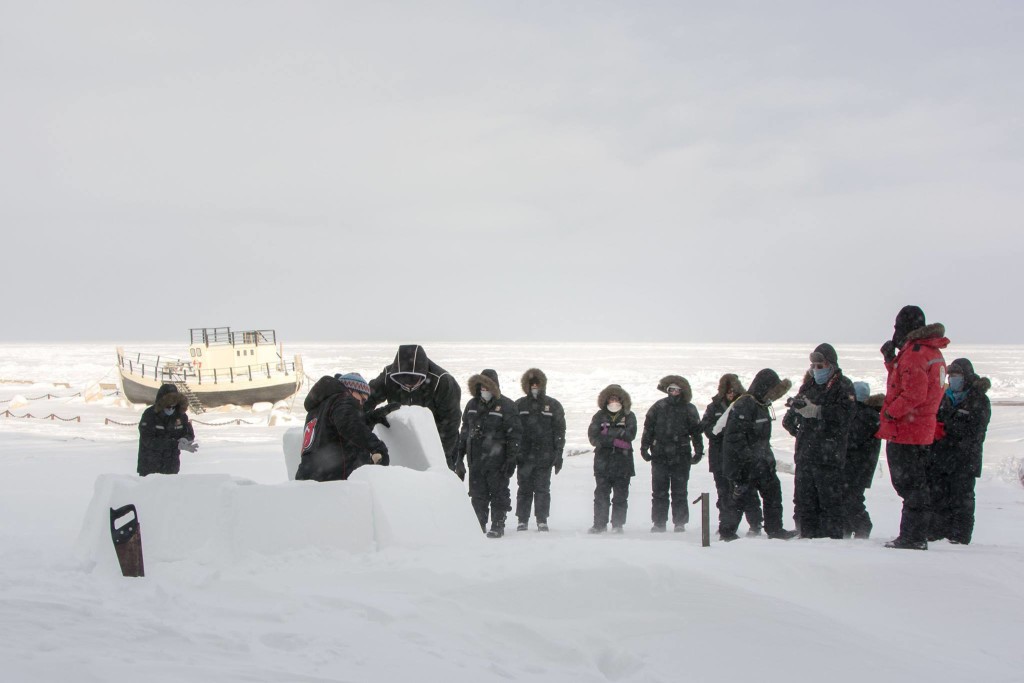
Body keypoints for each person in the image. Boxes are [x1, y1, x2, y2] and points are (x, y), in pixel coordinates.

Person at [877, 305, 949, 550]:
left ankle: (913, 536)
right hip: (919, 429)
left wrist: (890, 411)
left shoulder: (916, 353)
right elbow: (907, 380)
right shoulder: (929, 351)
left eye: (898, 327)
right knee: (914, 484)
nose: (895, 332)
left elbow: (914, 393)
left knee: (910, 486)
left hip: (908, 429)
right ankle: (915, 534)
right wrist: (891, 361)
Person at [782, 343, 856, 539]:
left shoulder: (844, 386)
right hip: (805, 453)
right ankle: (805, 537)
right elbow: (797, 407)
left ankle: (832, 542)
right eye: (813, 366)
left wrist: (818, 411)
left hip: (829, 455)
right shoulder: (809, 385)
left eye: (820, 366)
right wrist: (792, 417)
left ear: (831, 365)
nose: (815, 370)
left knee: (829, 502)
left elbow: (845, 414)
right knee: (804, 501)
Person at [718, 369, 798, 542]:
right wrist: (747, 461)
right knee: (739, 498)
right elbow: (735, 437)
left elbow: (761, 438)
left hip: (762, 462)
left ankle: (775, 530)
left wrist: (766, 459)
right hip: (743, 464)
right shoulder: (745, 404)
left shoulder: (762, 405)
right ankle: (727, 533)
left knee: (773, 494)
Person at [364, 345, 462, 474]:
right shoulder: (388, 376)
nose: (408, 383)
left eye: (413, 379)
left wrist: (441, 458)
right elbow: (366, 399)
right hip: (402, 441)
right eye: (402, 379)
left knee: (435, 481)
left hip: (438, 440)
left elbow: (451, 423)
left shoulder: (442, 381)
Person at [928, 358, 991, 545]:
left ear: (967, 377)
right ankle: (938, 535)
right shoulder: (944, 397)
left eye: (956, 375)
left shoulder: (979, 399)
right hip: (941, 458)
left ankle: (959, 538)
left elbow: (976, 431)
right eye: (950, 375)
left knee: (961, 501)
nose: (952, 379)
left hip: (965, 460)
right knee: (939, 499)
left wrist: (947, 427)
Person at [455, 370, 522, 538]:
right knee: (477, 495)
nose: (484, 389)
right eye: (481, 386)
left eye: (487, 386)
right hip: (475, 460)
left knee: (499, 493)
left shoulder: (507, 406)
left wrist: (511, 459)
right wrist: (459, 458)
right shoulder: (472, 405)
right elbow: (464, 432)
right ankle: (479, 524)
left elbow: (515, 435)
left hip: (497, 460)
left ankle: (498, 524)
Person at [296, 373, 389, 482]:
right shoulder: (343, 398)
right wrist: (377, 447)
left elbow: (335, 432)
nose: (361, 404)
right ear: (351, 390)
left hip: (309, 479)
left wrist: (370, 419)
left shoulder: (316, 410)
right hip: (331, 484)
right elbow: (349, 426)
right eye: (362, 398)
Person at [640, 375, 704, 532]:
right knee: (659, 491)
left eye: (677, 390)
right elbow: (648, 428)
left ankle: (680, 523)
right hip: (660, 455)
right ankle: (659, 522)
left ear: (682, 391)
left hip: (681, 455)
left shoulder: (689, 409)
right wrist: (644, 447)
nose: (674, 392)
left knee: (680, 491)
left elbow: (696, 432)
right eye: (671, 389)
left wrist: (699, 450)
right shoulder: (658, 407)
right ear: (667, 390)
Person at [702, 374, 763, 536]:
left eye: (733, 391)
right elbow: (707, 429)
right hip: (719, 458)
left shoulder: (745, 405)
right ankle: (725, 525)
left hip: (740, 458)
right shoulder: (714, 407)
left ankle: (755, 524)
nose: (731, 394)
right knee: (723, 493)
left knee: (747, 491)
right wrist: (723, 432)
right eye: (728, 391)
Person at [514, 368, 566, 532]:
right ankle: (522, 520)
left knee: (543, 489)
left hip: (545, 456)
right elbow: (513, 431)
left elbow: (560, 431)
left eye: (537, 384)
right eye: (532, 384)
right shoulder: (519, 404)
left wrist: (558, 454)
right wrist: (514, 453)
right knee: (524, 489)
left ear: (543, 385)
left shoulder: (553, 405)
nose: (534, 386)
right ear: (526, 386)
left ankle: (542, 519)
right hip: (524, 456)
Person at [587, 385, 637, 534]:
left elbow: (630, 435)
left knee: (621, 496)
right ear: (605, 400)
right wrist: (616, 439)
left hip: (623, 462)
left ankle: (618, 524)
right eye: (611, 398)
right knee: (601, 495)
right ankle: (599, 524)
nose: (614, 401)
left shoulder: (629, 415)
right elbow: (593, 437)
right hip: (603, 462)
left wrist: (607, 433)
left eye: (616, 398)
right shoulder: (599, 416)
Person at [842, 382, 883, 538]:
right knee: (848, 496)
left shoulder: (864, 415)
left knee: (851, 497)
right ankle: (848, 528)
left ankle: (862, 526)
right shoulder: (868, 414)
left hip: (857, 466)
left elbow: (852, 439)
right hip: (858, 465)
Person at [137, 383, 197, 476]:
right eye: (168, 406)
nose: (171, 409)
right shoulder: (149, 415)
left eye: (174, 406)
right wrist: (175, 444)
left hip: (171, 467)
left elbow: (188, 432)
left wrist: (185, 439)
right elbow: (148, 440)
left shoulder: (180, 415)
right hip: (150, 468)